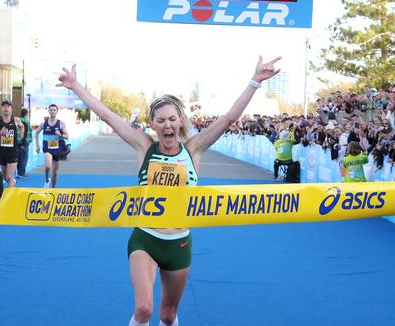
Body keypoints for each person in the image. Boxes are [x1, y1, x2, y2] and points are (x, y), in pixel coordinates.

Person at [56, 57, 281, 326]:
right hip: (145, 239)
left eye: (172, 119)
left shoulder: (194, 149)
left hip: (179, 244)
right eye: (161, 120)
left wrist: (255, 81)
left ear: (181, 121)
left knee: (167, 314)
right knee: (143, 310)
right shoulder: (144, 146)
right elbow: (107, 115)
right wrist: (75, 86)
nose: (167, 125)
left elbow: (230, 117)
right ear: (153, 124)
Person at [0, 99, 23, 187]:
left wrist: (22, 133)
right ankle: (12, 183)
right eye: (4, 106)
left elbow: (22, 126)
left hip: (13, 152)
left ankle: (10, 198)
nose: (6, 108)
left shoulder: (16, 120)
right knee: (6, 177)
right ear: (1, 108)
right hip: (2, 152)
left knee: (9, 176)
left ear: (11, 109)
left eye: (8, 106)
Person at [35, 104, 68, 188]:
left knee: (55, 173)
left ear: (57, 111)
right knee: (47, 165)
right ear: (48, 111)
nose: (52, 111)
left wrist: (60, 134)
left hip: (57, 149)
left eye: (54, 110)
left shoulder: (61, 123)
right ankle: (47, 180)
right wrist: (37, 146)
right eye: (51, 110)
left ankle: (53, 188)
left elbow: (67, 136)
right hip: (47, 149)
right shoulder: (44, 123)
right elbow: (36, 132)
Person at [17, 108, 33, 178]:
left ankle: (19, 172)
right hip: (23, 142)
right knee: (23, 158)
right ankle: (21, 173)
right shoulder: (25, 121)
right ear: (26, 114)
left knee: (19, 158)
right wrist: (23, 143)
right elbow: (25, 132)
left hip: (18, 142)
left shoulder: (19, 120)